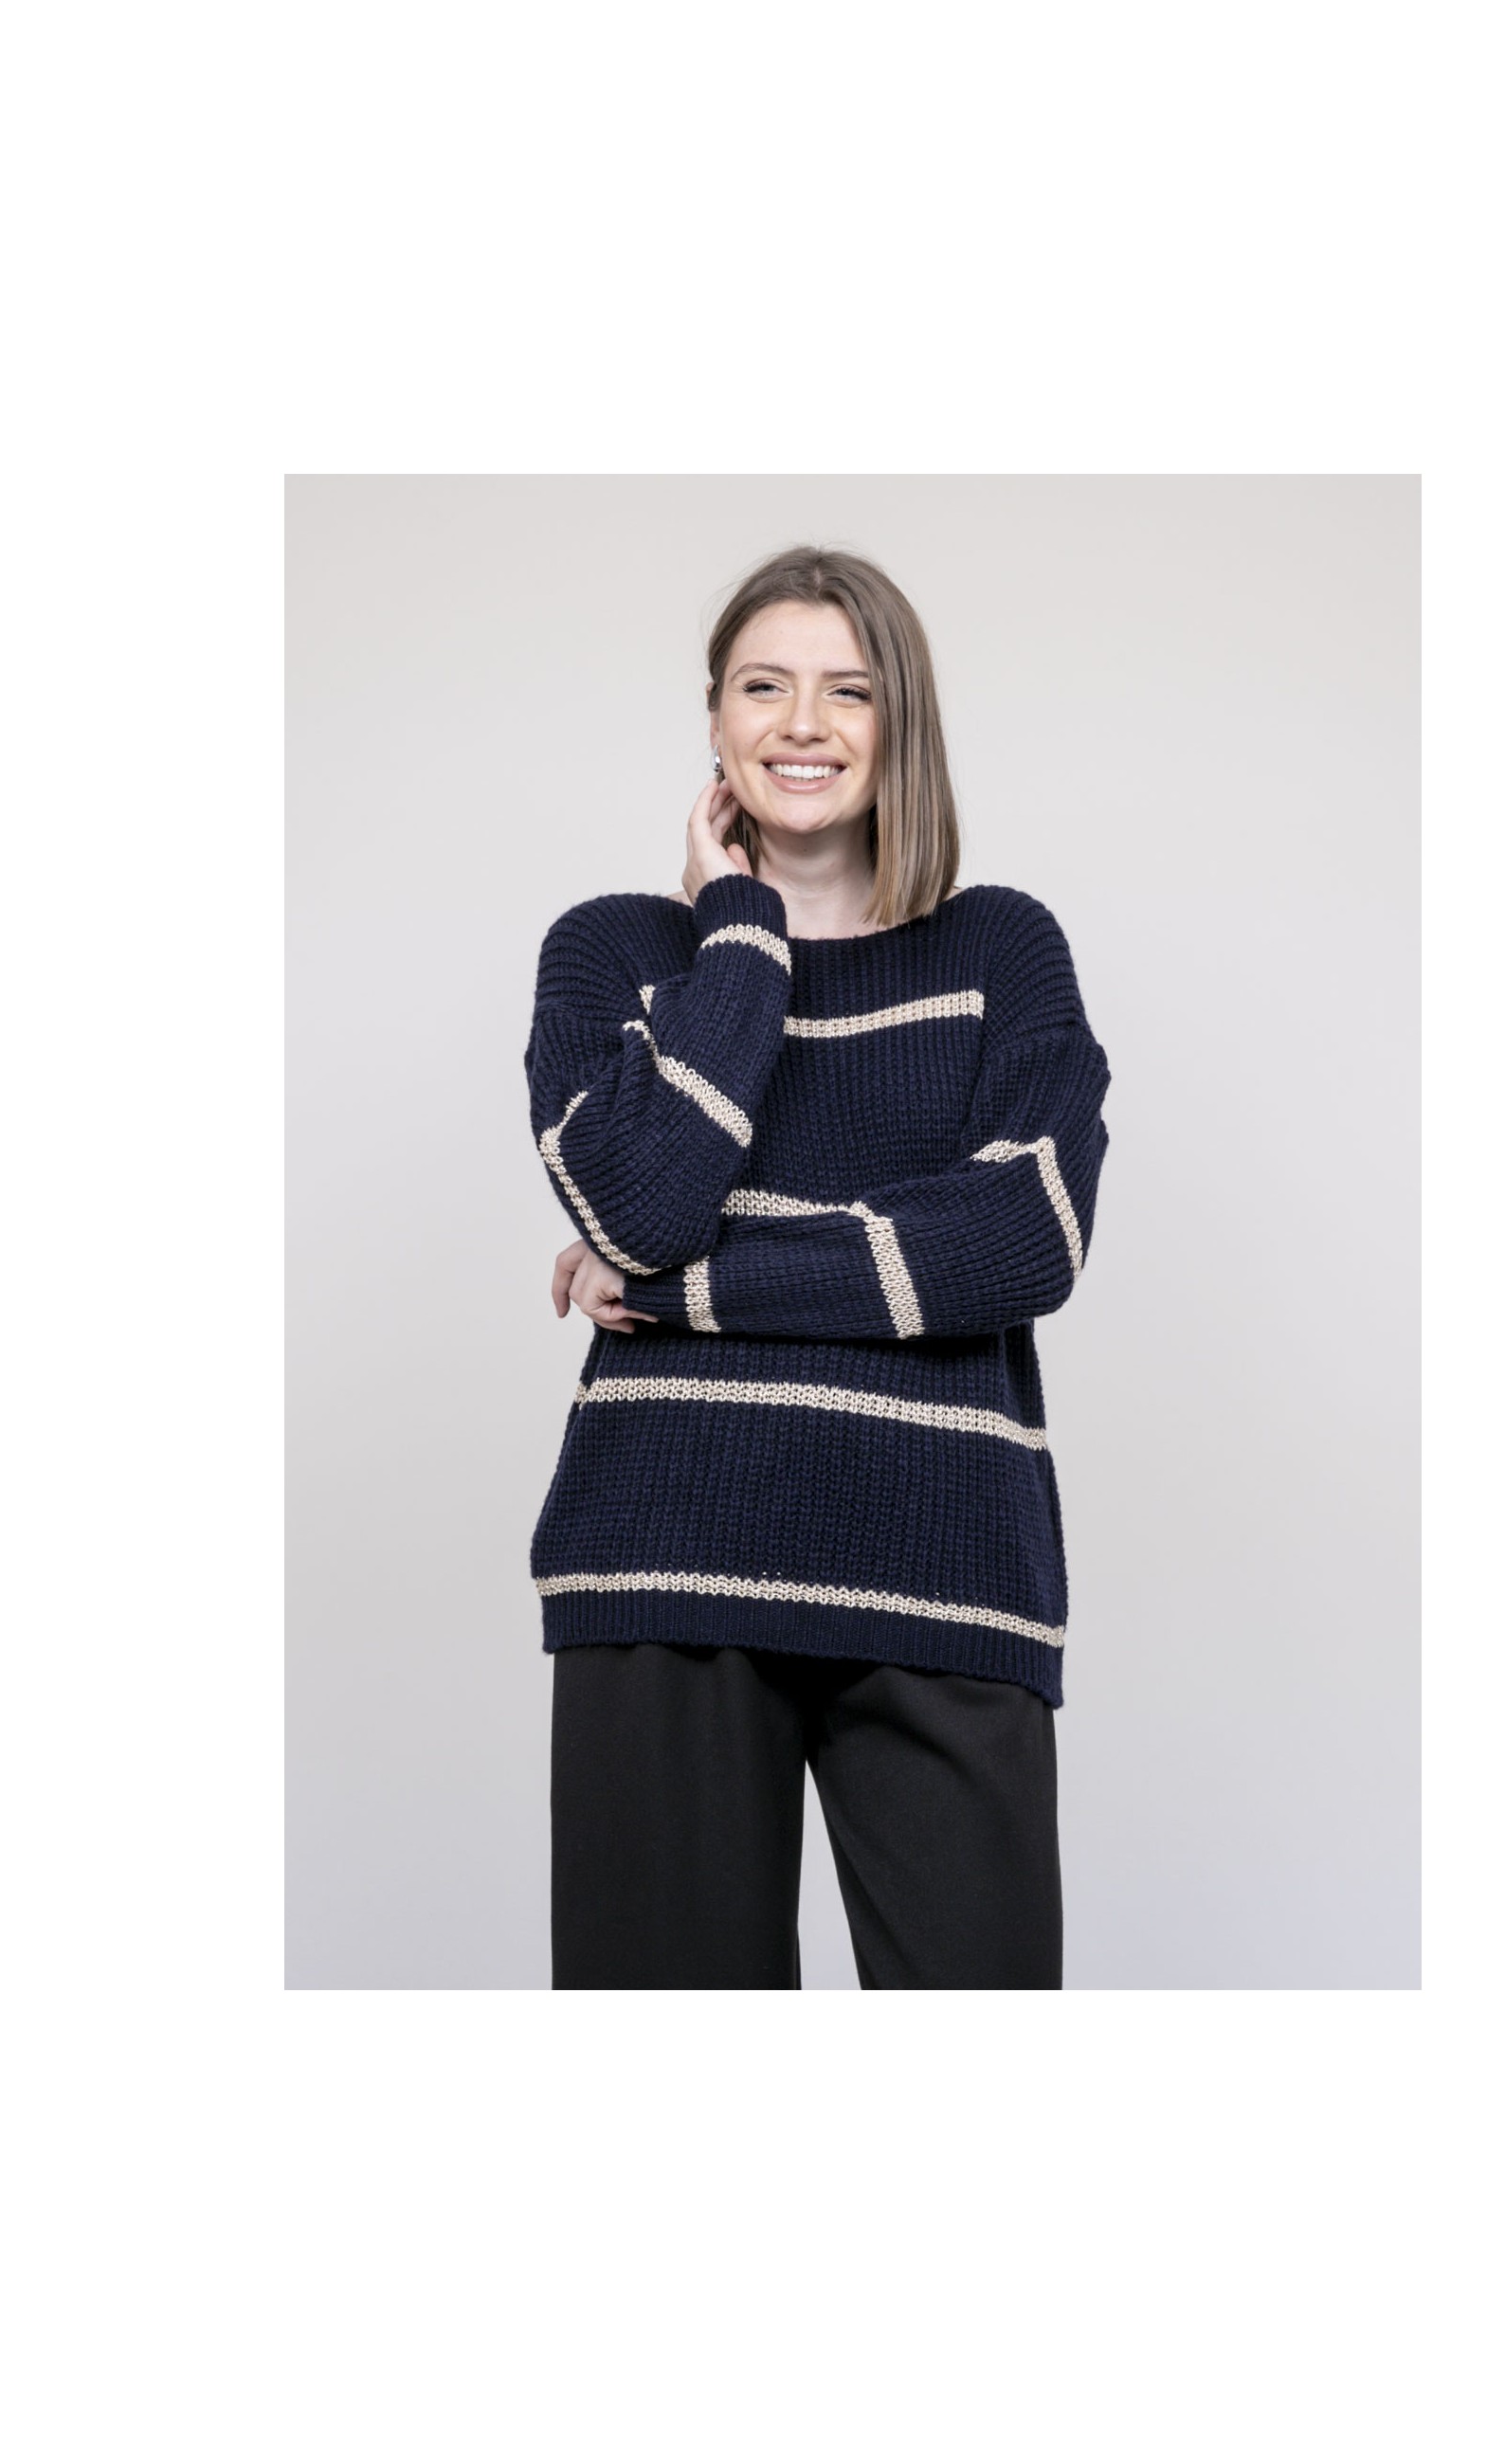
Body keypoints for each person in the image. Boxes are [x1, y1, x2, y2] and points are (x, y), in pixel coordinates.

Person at [523, 545, 1113, 1988]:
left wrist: (676, 1292)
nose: (803, 724)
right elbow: (647, 1199)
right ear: (714, 718)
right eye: (763, 686)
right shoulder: (613, 955)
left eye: (849, 690)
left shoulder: (1002, 950)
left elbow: (1022, 1237)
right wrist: (743, 939)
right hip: (663, 1560)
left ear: (901, 721)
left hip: (944, 1571)